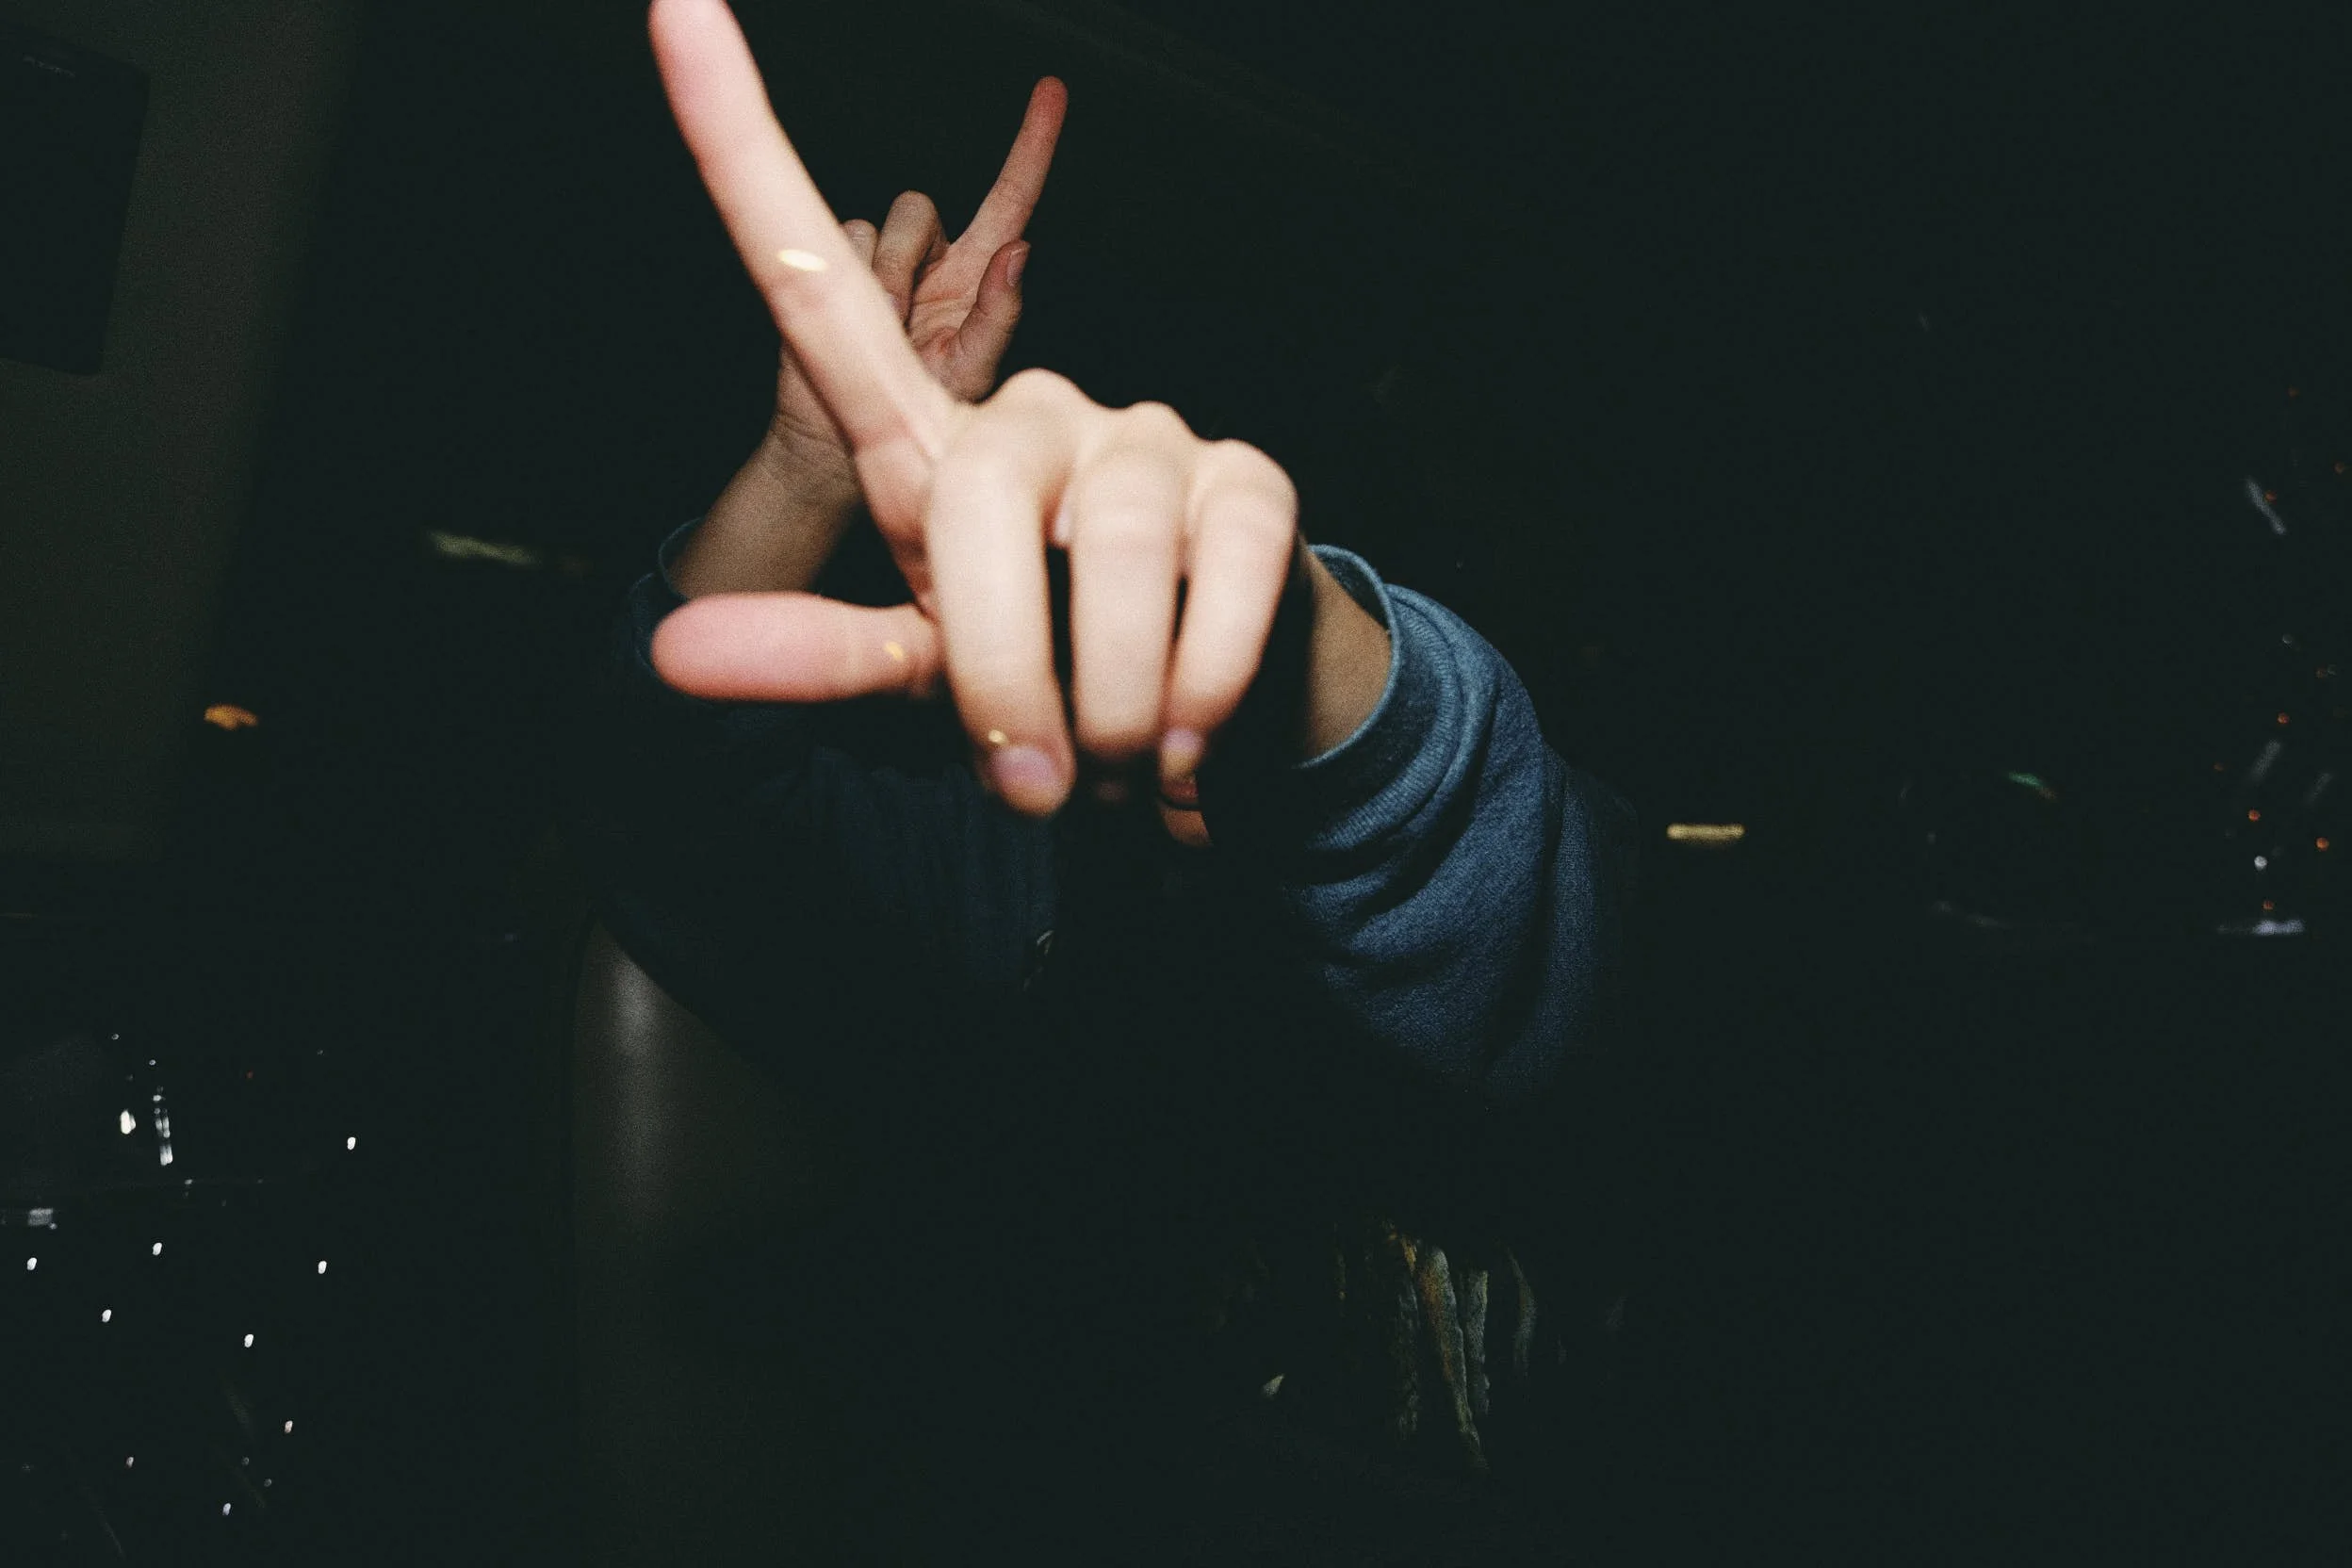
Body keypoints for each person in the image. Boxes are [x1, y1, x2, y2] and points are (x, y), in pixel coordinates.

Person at [562, 1, 1642, 1557]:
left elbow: (1503, 882)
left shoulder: (1530, 896)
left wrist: (1305, 670)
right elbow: (652, 805)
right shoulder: (1034, 876)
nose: (1174, 674)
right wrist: (807, 467)